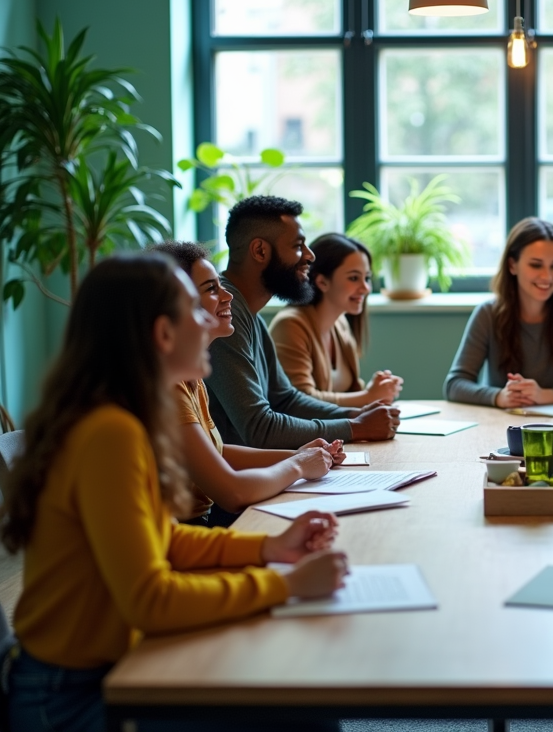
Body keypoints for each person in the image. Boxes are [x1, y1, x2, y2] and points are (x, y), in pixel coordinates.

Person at [2, 254, 349, 732]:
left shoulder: (122, 419)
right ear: (163, 335)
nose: (210, 319)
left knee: (295, 697)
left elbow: (164, 539)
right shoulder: (110, 433)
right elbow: (150, 598)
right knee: (298, 711)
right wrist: (284, 585)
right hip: (70, 698)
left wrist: (269, 547)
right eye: (195, 307)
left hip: (97, 673)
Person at [153, 240, 345, 527]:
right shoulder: (168, 385)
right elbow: (231, 492)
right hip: (189, 527)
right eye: (211, 289)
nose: (228, 296)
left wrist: (299, 454)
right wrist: (297, 465)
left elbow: (216, 452)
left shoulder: (190, 377)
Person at [205, 195, 400, 448]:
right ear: (260, 251)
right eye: (298, 246)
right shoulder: (224, 317)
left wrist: (354, 415)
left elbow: (286, 399)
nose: (309, 256)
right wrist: (356, 427)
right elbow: (259, 428)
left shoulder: (250, 316)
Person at [443, 217, 553, 407]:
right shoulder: (488, 313)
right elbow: (454, 385)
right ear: (512, 265)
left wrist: (544, 395)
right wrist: (499, 397)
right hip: (502, 426)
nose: (547, 276)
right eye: (536, 265)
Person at [269, 233, 404, 408]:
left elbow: (349, 394)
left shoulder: (341, 324)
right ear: (322, 282)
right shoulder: (290, 325)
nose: (365, 288)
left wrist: (375, 393)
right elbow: (299, 402)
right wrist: (368, 396)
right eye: (354, 278)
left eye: (367, 278)